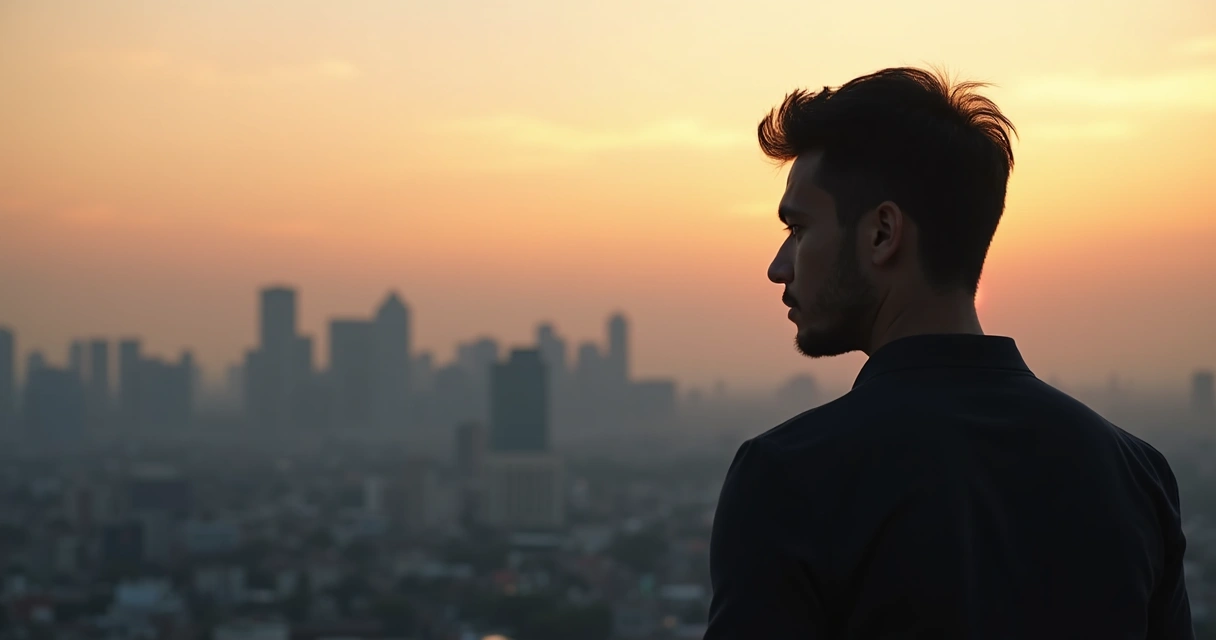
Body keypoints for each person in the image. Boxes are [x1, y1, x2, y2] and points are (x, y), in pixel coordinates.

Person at [705, 67, 1193, 639]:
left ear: (882, 233)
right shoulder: (1135, 475)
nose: (777, 267)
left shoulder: (790, 477)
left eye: (799, 229)